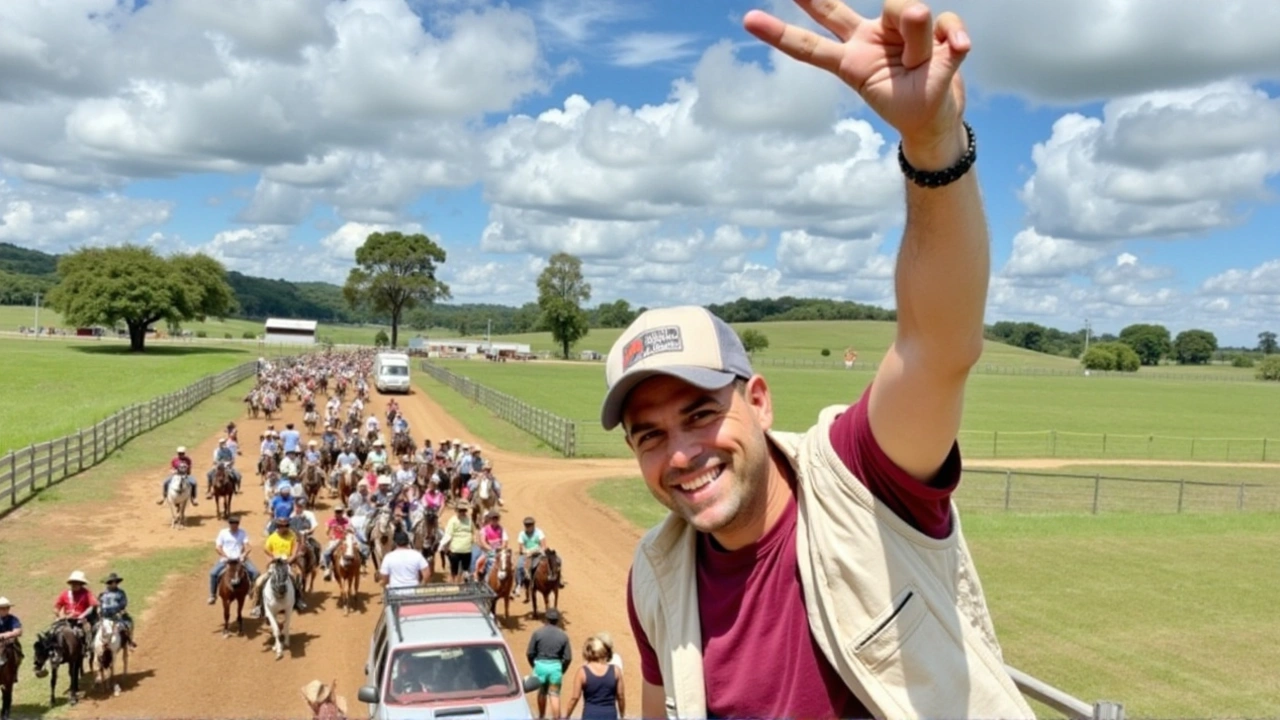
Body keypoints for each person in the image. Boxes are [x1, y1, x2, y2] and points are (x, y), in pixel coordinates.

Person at [614, 4, 1033, 718]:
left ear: (761, 401)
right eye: (649, 434)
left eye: (701, 413)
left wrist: (933, 144)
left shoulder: (863, 478)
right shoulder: (654, 577)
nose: (681, 454)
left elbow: (938, 347)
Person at [248, 517, 308, 617]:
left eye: (287, 526)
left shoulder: (292, 536)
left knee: (297, 576)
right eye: (283, 526)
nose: (285, 528)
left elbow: (294, 550)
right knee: (259, 582)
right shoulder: (272, 537)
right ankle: (257, 605)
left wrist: (289, 560)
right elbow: (266, 549)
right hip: (275, 563)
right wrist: (273, 557)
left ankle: (298, 600)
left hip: (288, 562)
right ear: (278, 526)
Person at [563, 635, 625, 720]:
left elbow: (575, 698)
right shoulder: (615, 670)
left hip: (590, 714)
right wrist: (622, 715)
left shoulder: (582, 672)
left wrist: (567, 716)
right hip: (610, 714)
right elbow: (620, 696)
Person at [526, 608, 572, 720]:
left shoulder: (537, 633)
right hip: (555, 668)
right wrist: (561, 669)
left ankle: (541, 716)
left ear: (546, 619)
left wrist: (535, 666)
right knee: (554, 694)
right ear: (558, 620)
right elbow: (568, 657)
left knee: (541, 692)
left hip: (540, 666)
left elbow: (529, 653)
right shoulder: (563, 636)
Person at [208, 515, 259, 604]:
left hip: (240, 559)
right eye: (232, 523)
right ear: (229, 524)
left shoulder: (242, 532)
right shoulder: (223, 533)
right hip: (227, 559)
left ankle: (251, 591)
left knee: (255, 573)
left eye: (236, 523)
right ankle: (213, 595)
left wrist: (244, 555)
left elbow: (248, 546)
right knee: (213, 573)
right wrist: (224, 556)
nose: (234, 525)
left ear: (238, 524)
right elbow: (218, 547)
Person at [321, 506, 369, 579]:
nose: (338, 513)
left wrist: (348, 530)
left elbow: (352, 529)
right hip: (336, 539)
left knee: (362, 549)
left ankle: (362, 564)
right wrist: (329, 534)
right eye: (337, 512)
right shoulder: (331, 521)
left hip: (347, 538)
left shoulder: (347, 520)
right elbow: (327, 530)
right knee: (326, 553)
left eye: (340, 512)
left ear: (342, 512)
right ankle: (327, 568)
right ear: (335, 513)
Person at [53, 571, 98, 640]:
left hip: (81, 620)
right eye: (72, 583)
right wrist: (60, 616)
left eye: (76, 583)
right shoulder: (65, 594)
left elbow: (93, 605)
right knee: (53, 632)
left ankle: (88, 649)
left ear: (81, 584)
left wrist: (82, 616)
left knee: (88, 632)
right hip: (66, 620)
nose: (74, 585)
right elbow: (56, 607)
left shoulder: (87, 593)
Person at [96, 573, 136, 649]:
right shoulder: (102, 594)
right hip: (105, 617)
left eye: (115, 582)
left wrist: (120, 612)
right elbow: (99, 603)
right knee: (94, 628)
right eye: (111, 582)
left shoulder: (121, 593)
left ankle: (129, 641)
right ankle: (91, 646)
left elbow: (123, 604)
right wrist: (98, 609)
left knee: (129, 624)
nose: (113, 584)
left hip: (117, 616)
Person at [473, 510, 508, 583]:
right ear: (490, 519)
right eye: (493, 519)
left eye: (496, 519)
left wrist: (501, 547)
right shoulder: (484, 529)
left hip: (499, 551)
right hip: (488, 550)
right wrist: (490, 548)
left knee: (507, 562)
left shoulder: (502, 529)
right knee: (479, 562)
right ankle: (478, 576)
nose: (495, 520)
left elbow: (505, 541)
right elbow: (483, 541)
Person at [443, 501, 474, 584]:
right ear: (457, 511)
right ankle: (454, 585)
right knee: (454, 571)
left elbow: (472, 532)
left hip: (467, 550)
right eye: (461, 510)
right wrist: (446, 547)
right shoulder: (452, 521)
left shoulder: (469, 521)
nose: (462, 512)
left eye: (464, 510)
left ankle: (463, 586)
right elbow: (448, 535)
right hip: (455, 550)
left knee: (465, 571)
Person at [516, 516, 546, 598]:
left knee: (551, 560)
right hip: (526, 553)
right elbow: (521, 547)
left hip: (538, 552)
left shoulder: (539, 532)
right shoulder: (522, 534)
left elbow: (543, 546)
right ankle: (519, 584)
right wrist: (526, 552)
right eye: (526, 525)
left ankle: (557, 578)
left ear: (533, 525)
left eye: (530, 525)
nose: (528, 527)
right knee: (519, 566)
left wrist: (536, 551)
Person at [0, 596, 23, 675]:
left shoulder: (13, 619)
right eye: (3, 608)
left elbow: (18, 631)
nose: (6, 610)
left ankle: (13, 673)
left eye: (7, 608)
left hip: (9, 642)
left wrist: (7, 635)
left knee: (18, 654)